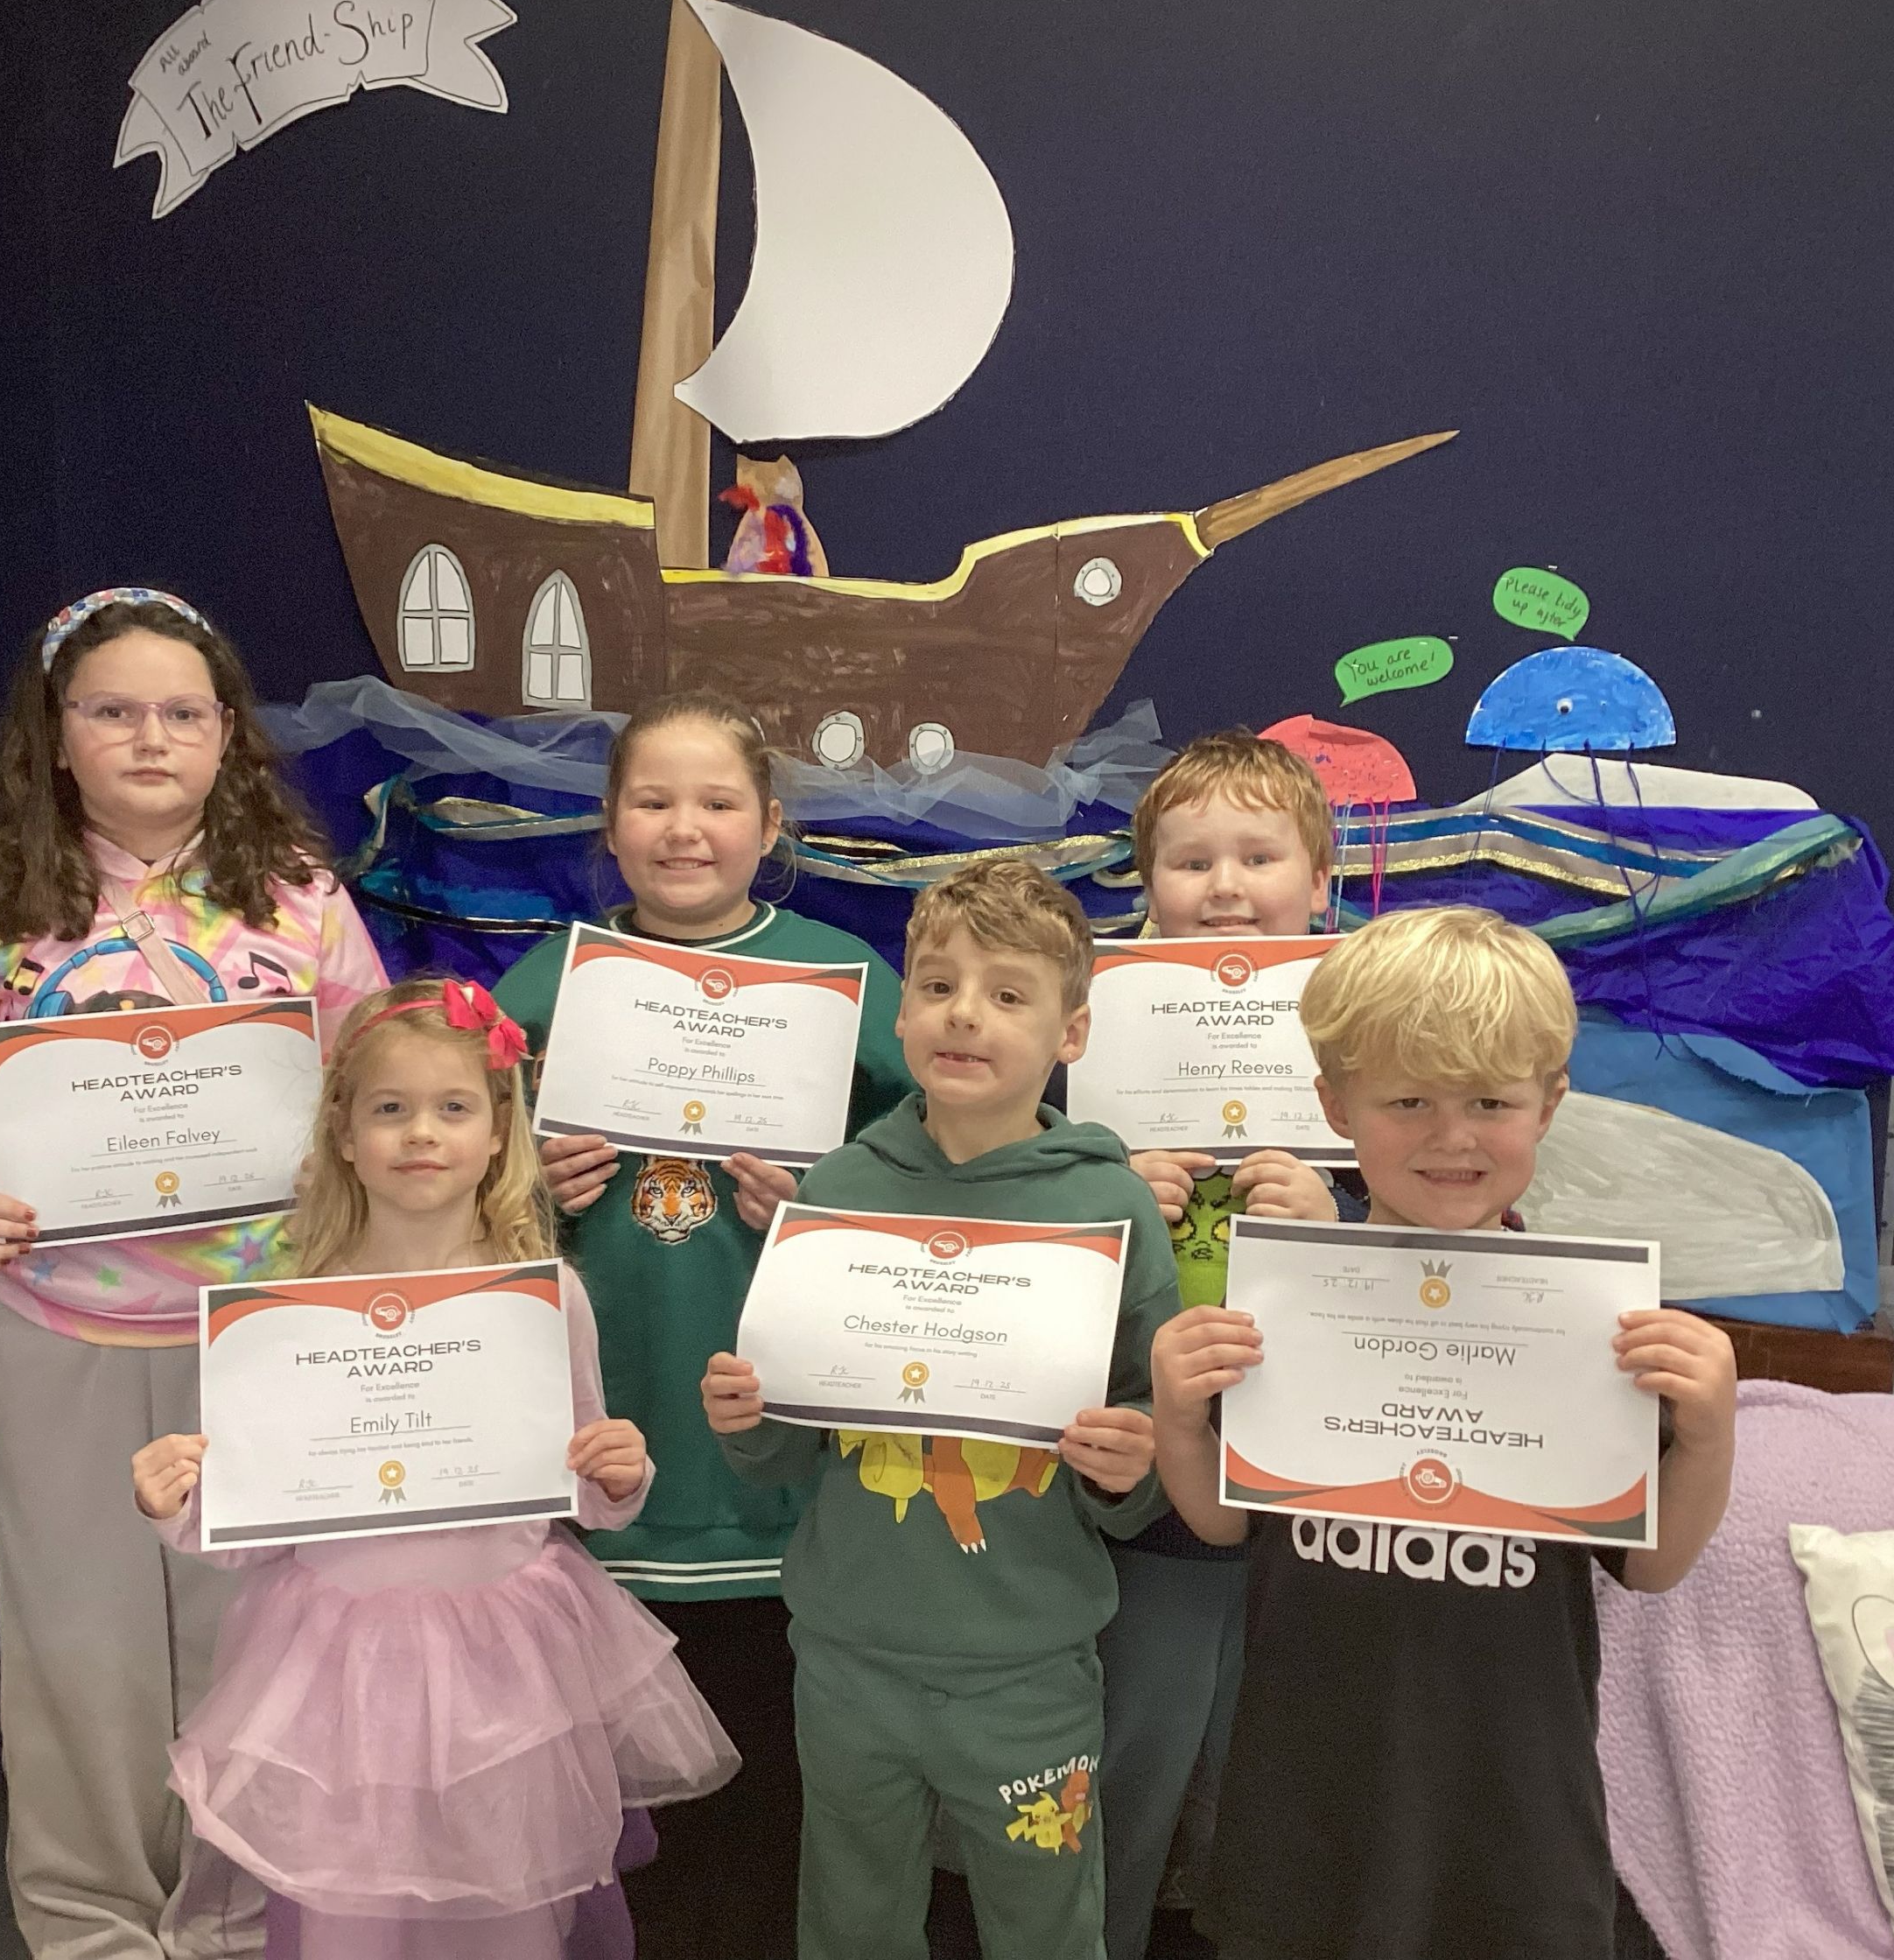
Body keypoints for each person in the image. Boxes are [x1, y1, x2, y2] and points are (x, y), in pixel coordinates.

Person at [0, 587, 388, 1957]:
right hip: (65, 1330)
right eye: (113, 710)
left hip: (260, 1327)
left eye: (181, 711)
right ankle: (90, 1918)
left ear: (228, 734)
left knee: (257, 1642)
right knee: (79, 1643)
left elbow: (379, 1081)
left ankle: (244, 1914)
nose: (150, 737)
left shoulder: (299, 899)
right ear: (54, 736)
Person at [1149, 905, 1738, 1959]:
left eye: (1490, 1102)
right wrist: (1179, 1410)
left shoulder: (1594, 1327)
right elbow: (1222, 1524)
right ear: (1336, 1105)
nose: (1452, 1137)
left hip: (1512, 1811)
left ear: (1550, 1104)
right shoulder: (1287, 1301)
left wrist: (1707, 1432)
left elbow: (1651, 1568)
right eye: (1409, 1100)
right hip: (1308, 1802)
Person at [130, 976, 738, 1956]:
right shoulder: (285, 1312)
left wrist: (620, 1475)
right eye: (390, 1110)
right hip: (338, 1665)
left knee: (506, 1906)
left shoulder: (547, 1300)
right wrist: (181, 1503)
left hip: (505, 1662)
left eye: (454, 1108)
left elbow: (584, 1489)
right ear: (343, 1132)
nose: (421, 1133)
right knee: (350, 1917)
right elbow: (248, 1530)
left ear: (499, 1132)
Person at [490, 691, 915, 1953]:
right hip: (613, 1443)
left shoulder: (845, 980)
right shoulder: (548, 980)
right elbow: (441, 1175)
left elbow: (941, 1174)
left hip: (779, 1454)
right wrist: (524, 1190)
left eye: (719, 802)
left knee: (775, 1772)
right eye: (654, 801)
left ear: (770, 825)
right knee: (629, 1805)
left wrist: (828, 1202)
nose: (686, 828)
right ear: (610, 823)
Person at [700, 860, 1182, 1960]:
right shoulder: (836, 1191)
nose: (964, 1013)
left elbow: (1147, 1448)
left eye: (1008, 994)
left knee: (1045, 1922)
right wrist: (746, 1416)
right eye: (937, 986)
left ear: (1072, 1033)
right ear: (903, 1010)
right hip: (846, 1653)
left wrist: (1131, 1466)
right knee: (851, 1916)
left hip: (1029, 1666)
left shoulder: (1109, 1205)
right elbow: (783, 1448)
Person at [1100, 729, 1356, 1960]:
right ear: (1146, 881)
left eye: (1260, 856)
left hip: (1305, 1473)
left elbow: (1443, 1234)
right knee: (1134, 1744)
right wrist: (1105, 1190)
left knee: (1275, 1748)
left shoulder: (1367, 1032)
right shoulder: (1090, 1037)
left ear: (1320, 880)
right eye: (1191, 860)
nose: (1225, 887)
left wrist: (1336, 1216)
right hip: (1147, 1472)